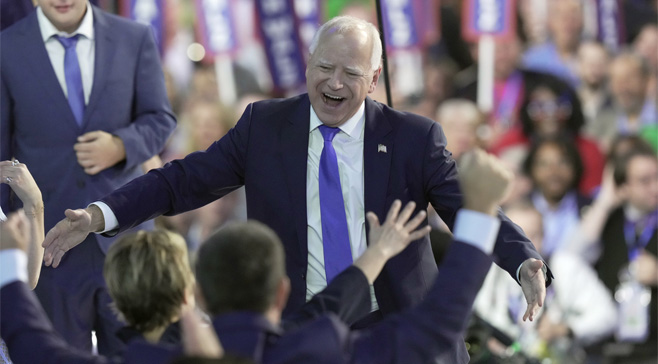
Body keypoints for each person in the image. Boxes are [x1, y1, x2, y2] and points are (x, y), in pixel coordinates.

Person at [42, 16, 549, 362]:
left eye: (350, 74)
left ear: (374, 80)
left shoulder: (414, 139)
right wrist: (100, 213)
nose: (333, 82)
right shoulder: (265, 125)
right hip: (303, 337)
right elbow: (184, 180)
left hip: (397, 333)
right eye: (324, 67)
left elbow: (467, 208)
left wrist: (523, 260)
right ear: (307, 63)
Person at [0, 0, 177, 355]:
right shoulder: (6, 48)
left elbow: (161, 119)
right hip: (50, 251)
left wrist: (121, 145)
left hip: (127, 241)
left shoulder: (134, 36)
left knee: (145, 354)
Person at [472, 202, 616, 361]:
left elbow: (608, 316)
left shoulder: (564, 266)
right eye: (516, 237)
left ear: (545, 235)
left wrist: (565, 329)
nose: (526, 244)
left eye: (534, 235)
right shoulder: (490, 270)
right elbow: (476, 315)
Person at [594, 148, 658, 363]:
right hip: (612, 348)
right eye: (645, 181)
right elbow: (570, 256)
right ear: (622, 187)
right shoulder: (608, 221)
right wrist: (604, 203)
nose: (656, 187)